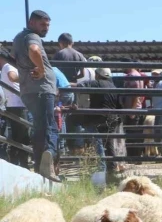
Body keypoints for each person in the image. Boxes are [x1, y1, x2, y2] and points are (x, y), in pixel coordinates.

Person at [11, 10, 60, 181]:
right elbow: (34, 50)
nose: (46, 28)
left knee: (40, 128)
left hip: (29, 90)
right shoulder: (32, 36)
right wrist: (40, 69)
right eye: (42, 24)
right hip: (41, 89)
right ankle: (49, 156)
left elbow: (15, 60)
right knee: (51, 128)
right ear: (32, 22)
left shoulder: (18, 38)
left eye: (47, 25)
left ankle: (40, 166)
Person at [72, 67, 124, 174]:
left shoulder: (97, 83)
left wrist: (68, 84)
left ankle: (101, 166)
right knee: (108, 143)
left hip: (99, 117)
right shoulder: (114, 87)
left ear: (97, 74)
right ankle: (112, 167)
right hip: (112, 118)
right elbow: (119, 106)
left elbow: (81, 85)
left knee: (97, 140)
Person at [0, 48, 30, 168]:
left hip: (16, 104)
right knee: (21, 136)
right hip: (16, 105)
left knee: (19, 136)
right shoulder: (7, 67)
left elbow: (12, 78)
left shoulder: (6, 67)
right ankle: (20, 163)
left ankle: (18, 163)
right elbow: (13, 78)